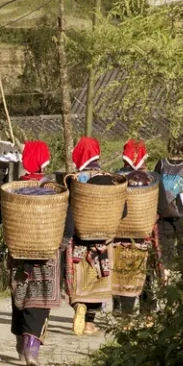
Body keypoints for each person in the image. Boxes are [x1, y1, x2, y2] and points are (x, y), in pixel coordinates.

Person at [0, 140, 71, 366]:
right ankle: (31, 346)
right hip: (47, 257)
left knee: (22, 298)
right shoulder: (55, 191)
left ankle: (21, 344)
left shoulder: (11, 190)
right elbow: (69, 226)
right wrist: (57, 248)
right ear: (45, 161)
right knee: (40, 301)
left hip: (18, 256)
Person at [68, 136, 114, 336]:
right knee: (97, 278)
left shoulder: (73, 179)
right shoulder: (110, 179)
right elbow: (123, 211)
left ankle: (78, 303)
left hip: (79, 238)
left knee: (80, 276)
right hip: (102, 240)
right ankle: (89, 323)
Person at [112, 139, 162, 316]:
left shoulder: (116, 178)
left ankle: (120, 308)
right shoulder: (151, 180)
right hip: (143, 233)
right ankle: (147, 310)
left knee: (120, 270)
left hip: (118, 234)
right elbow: (161, 206)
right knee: (145, 270)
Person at [154, 132, 183, 270]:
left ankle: (166, 278)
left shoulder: (161, 163)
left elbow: (155, 188)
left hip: (163, 212)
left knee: (165, 249)